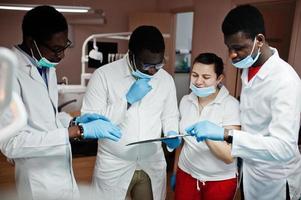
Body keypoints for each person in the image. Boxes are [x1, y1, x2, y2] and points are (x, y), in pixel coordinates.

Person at [0, 5, 121, 200]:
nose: (62, 55)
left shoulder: (47, 66)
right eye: (56, 49)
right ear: (32, 42)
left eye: (65, 46)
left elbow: (48, 117)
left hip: (61, 170)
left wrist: (75, 122)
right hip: (37, 179)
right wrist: (76, 132)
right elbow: (11, 143)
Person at [186, 4, 301, 200]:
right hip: (250, 171)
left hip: (276, 180)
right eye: (229, 47)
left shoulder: (285, 80)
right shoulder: (249, 69)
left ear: (259, 40)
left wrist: (226, 134)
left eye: (238, 48)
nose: (231, 54)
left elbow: (284, 148)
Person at [81, 25, 181, 200]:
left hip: (151, 162)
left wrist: (172, 132)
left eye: (158, 64)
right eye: (147, 64)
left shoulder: (165, 79)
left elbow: (169, 115)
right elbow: (90, 122)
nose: (152, 70)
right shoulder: (103, 75)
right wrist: (127, 101)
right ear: (131, 54)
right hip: (114, 163)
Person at [171, 53, 241, 200]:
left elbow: (229, 156)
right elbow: (181, 141)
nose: (198, 81)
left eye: (206, 77)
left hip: (219, 180)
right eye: (195, 75)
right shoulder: (185, 101)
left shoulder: (231, 105)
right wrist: (175, 171)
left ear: (219, 79)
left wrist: (208, 136)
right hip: (186, 173)